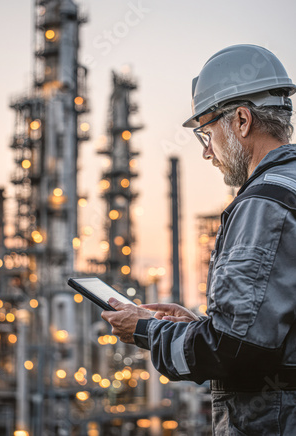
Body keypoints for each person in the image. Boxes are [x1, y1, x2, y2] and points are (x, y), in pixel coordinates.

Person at [102, 44, 296, 435]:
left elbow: (235, 352)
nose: (208, 153)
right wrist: (199, 325)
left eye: (207, 134)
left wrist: (146, 330)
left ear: (242, 120)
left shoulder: (263, 204)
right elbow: (270, 332)